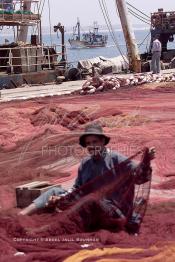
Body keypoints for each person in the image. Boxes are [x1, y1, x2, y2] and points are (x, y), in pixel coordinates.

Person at [19, 123, 155, 231]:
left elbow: (140, 177)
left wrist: (146, 161)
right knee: (54, 191)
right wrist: (62, 197)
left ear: (103, 142)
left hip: (114, 210)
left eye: (95, 142)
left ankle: (48, 229)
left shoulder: (117, 159)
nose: (91, 146)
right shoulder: (85, 163)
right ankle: (21, 215)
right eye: (88, 143)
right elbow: (78, 189)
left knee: (89, 200)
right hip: (89, 204)